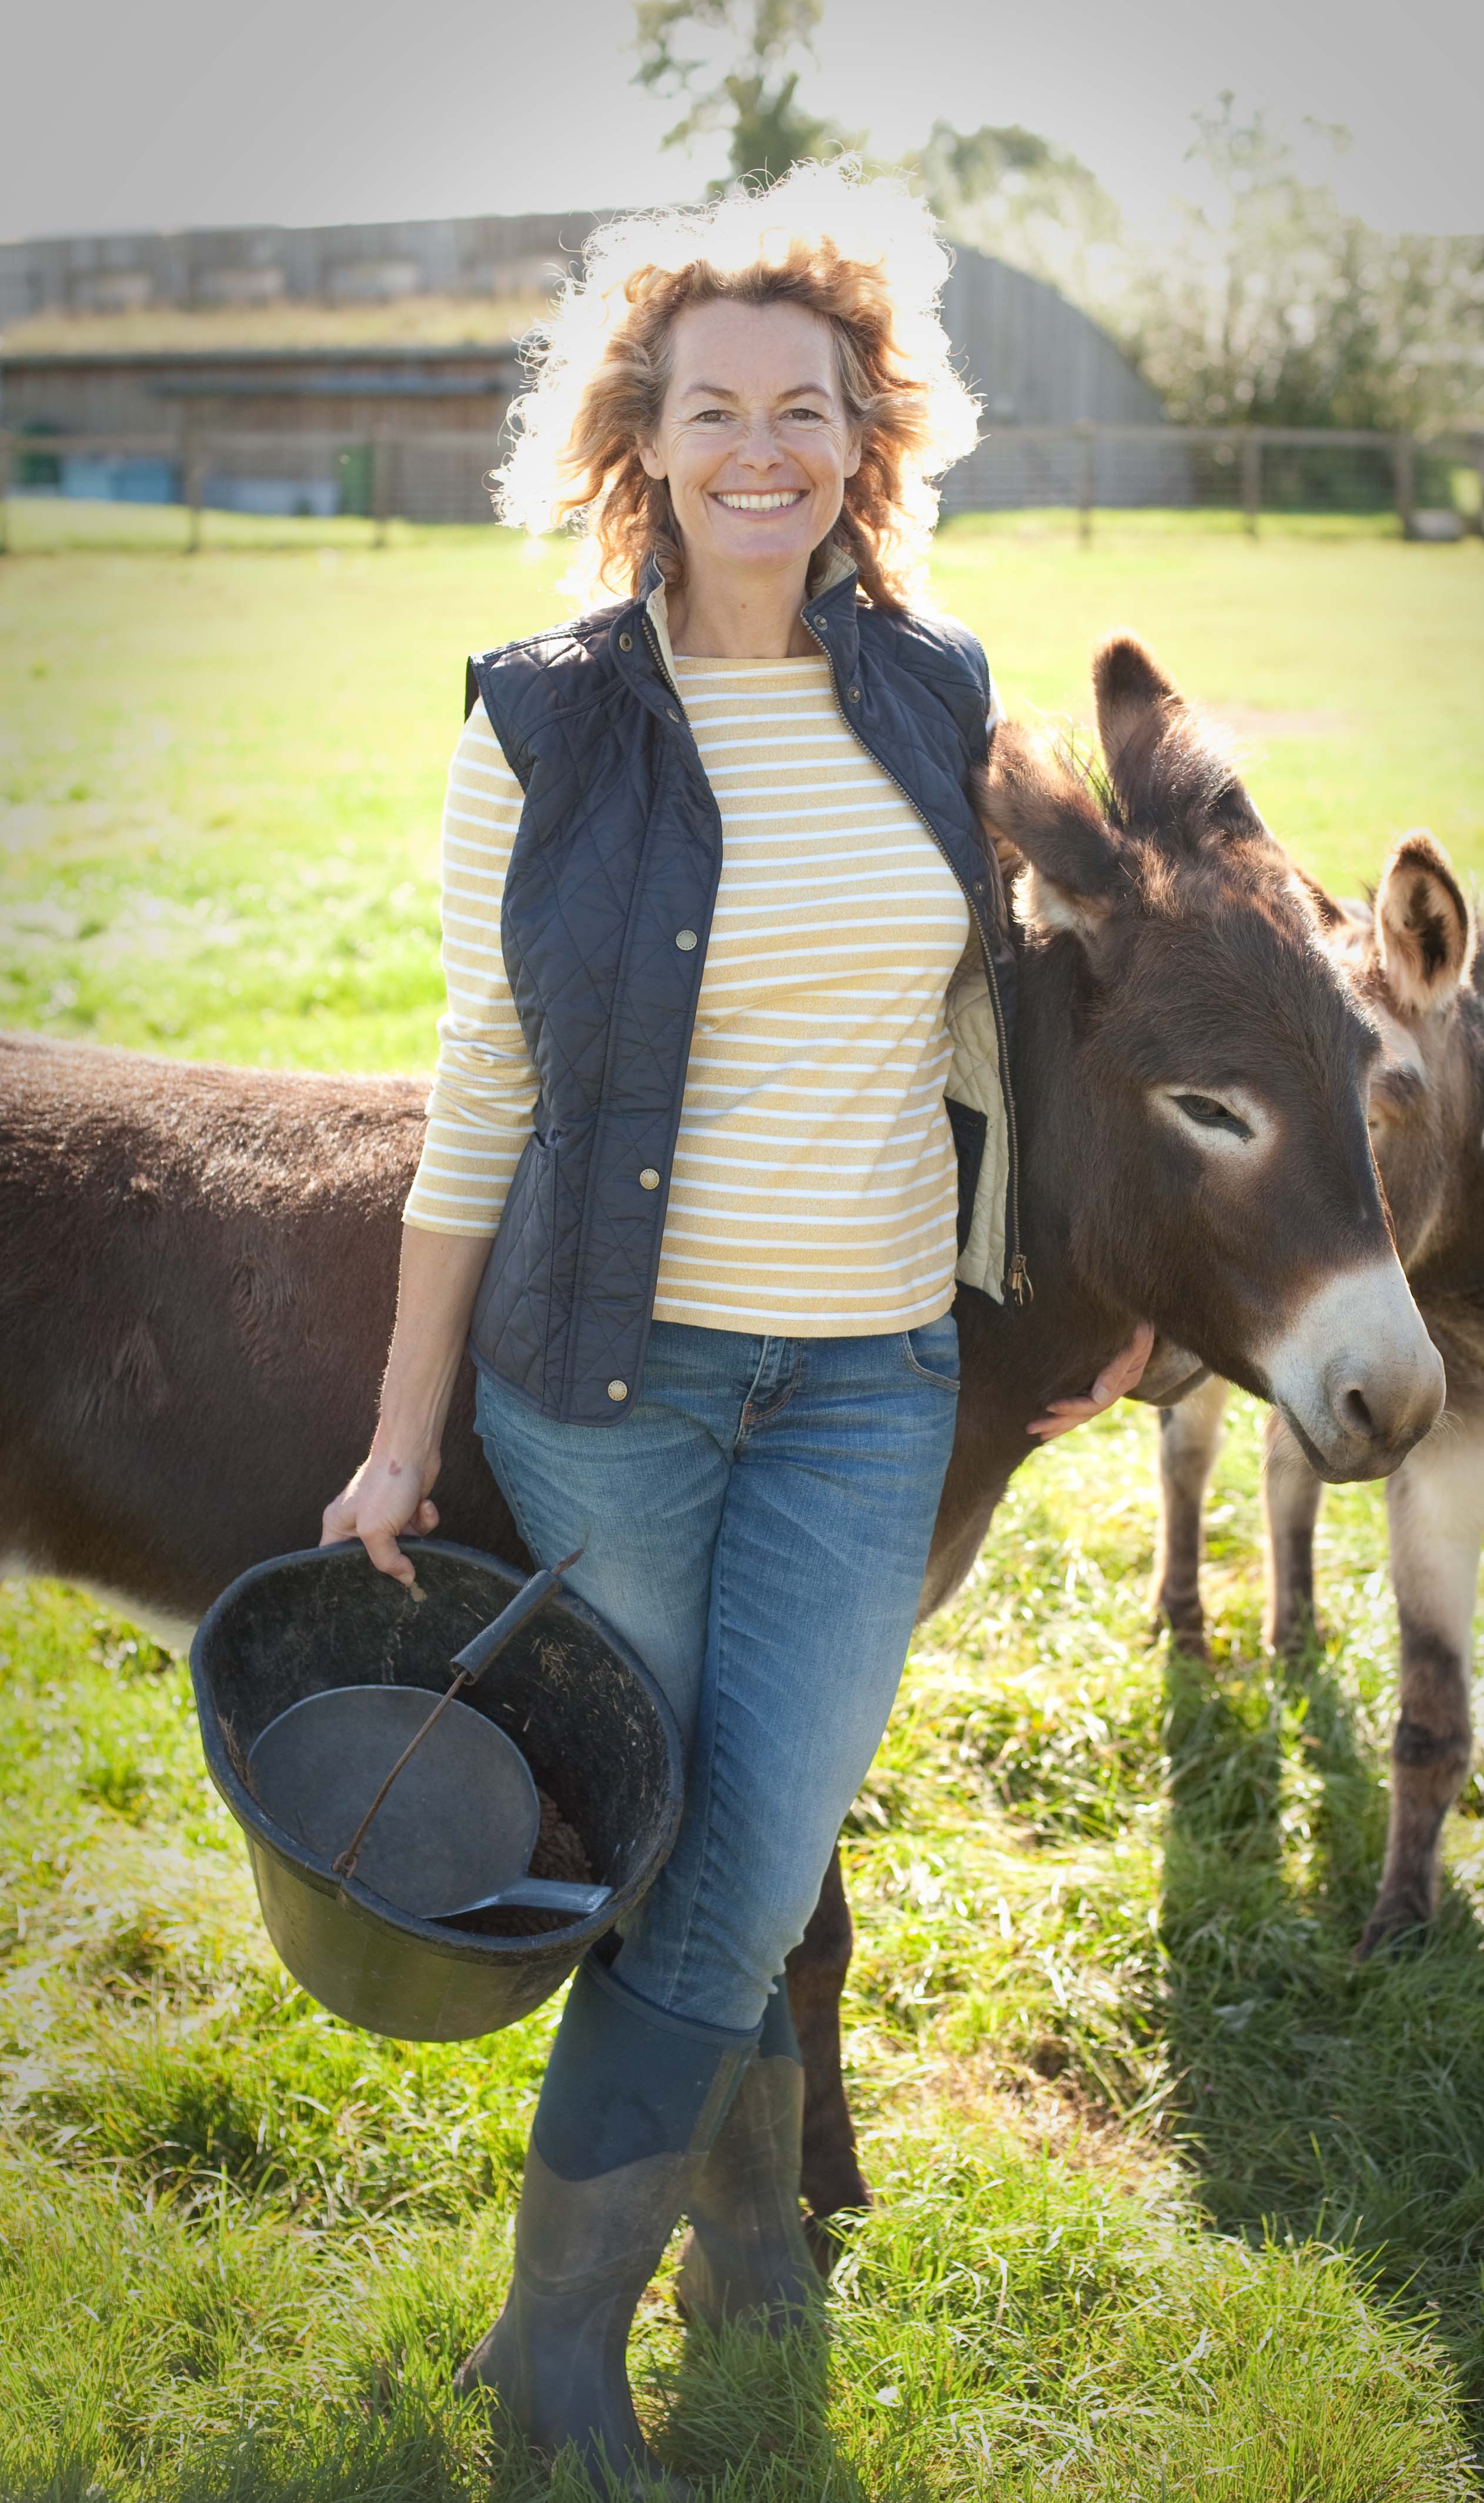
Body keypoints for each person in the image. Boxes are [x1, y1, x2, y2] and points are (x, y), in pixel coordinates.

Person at [322, 159, 1148, 2494]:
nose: (762, 445)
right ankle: (570, 2354)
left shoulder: (933, 687)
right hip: (617, 1385)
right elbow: (481, 1086)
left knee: (760, 1846)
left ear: (867, 433)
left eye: (808, 403)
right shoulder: (545, 717)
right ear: (647, 435)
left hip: (869, 1384)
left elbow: (997, 1043)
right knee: (688, 1832)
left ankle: (657, 2288)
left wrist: (1094, 1316)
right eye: (716, 406)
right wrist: (401, 1433)